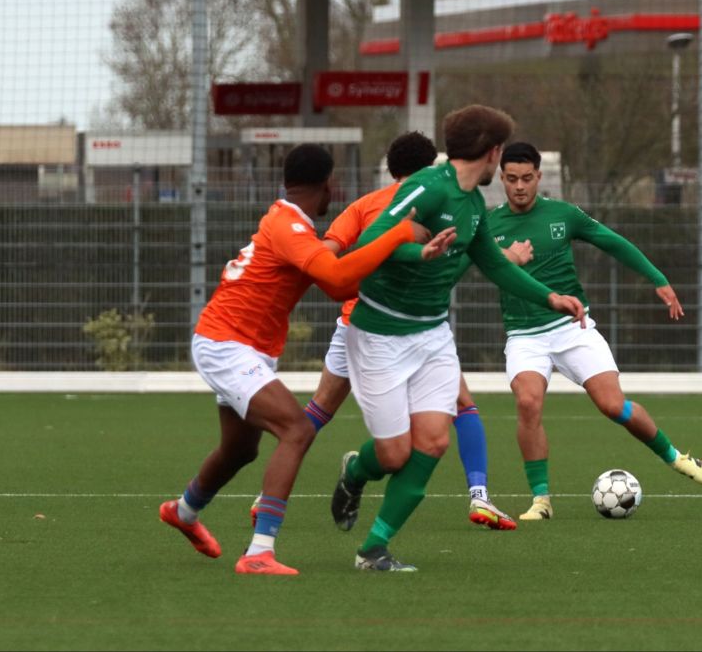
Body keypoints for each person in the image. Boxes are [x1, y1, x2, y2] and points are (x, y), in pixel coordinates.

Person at [159, 143, 453, 576]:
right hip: (226, 345)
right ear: (328, 184)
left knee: (240, 449)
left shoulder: (290, 223)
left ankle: (183, 511)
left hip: (246, 347)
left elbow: (339, 276)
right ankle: (259, 553)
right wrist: (397, 235)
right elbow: (336, 282)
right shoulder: (290, 226)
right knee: (296, 430)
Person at [330, 106, 587, 572]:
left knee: (432, 443)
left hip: (432, 335)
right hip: (380, 332)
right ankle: (355, 471)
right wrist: (418, 252)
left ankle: (373, 548)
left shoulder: (472, 204)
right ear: (492, 152)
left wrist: (551, 298)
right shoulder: (428, 187)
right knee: (393, 454)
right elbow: (369, 243)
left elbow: (494, 263)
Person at [489, 142, 702, 523]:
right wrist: (506, 257)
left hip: (573, 328)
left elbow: (611, 241)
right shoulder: (489, 224)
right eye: (512, 179)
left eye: (527, 178)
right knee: (528, 403)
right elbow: (468, 258)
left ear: (539, 177)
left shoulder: (563, 214)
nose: (520, 186)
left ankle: (675, 457)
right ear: (501, 179)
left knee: (613, 406)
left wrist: (657, 278)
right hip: (525, 335)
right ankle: (541, 501)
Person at [299, 130, 516, 531]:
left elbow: (328, 253)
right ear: (430, 165)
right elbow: (450, 261)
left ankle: (271, 492)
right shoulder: (435, 196)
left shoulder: (366, 204)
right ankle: (478, 494)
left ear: (391, 168)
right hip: (383, 326)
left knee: (318, 410)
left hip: (356, 321)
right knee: (460, 407)